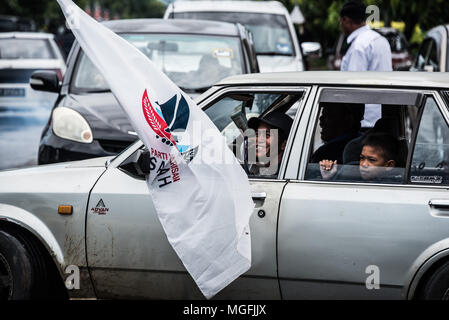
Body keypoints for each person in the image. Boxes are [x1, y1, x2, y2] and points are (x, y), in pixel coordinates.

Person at [339, 0, 392, 127]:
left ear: (346, 20)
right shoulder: (381, 40)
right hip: (382, 116)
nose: (340, 25)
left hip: (364, 121)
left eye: (340, 21)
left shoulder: (359, 46)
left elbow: (353, 87)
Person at [320, 132, 402, 182]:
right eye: (362, 158)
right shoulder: (349, 176)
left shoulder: (396, 186)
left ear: (389, 165)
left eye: (372, 160)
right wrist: (328, 178)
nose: (364, 164)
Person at [246, 111, 293, 177]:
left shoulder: (288, 175)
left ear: (283, 145)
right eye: (257, 134)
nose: (258, 139)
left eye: (267, 135)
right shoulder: (255, 169)